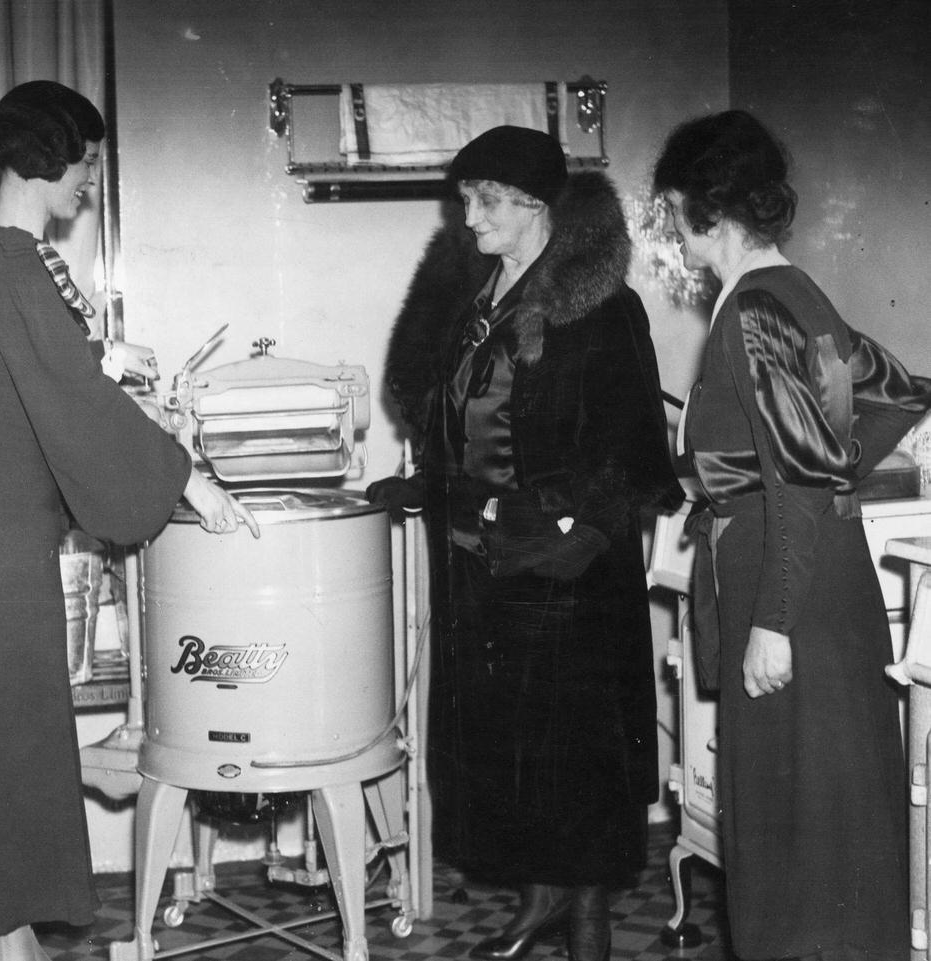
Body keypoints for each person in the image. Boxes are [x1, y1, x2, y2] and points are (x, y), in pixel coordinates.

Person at [0, 80, 257, 961]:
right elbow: (63, 395)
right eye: (86, 159)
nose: (91, 178)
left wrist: (100, 354)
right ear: (43, 158)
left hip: (1, 531)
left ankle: (14, 936)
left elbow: (37, 362)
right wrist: (190, 481)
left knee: (18, 735)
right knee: (5, 737)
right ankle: (8, 944)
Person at [371, 126, 682, 961]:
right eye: (465, 199)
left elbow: (632, 451)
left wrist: (574, 531)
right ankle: (537, 900)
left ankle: (587, 929)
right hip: (481, 570)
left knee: (571, 758)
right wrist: (429, 483)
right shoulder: (478, 299)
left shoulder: (600, 306)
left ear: (538, 208)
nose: (468, 217)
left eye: (487, 201)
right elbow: (457, 416)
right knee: (508, 753)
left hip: (563, 576)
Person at [654, 109, 930, 961]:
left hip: (786, 584)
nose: (667, 227)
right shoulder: (796, 292)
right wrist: (838, 461)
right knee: (835, 818)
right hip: (824, 576)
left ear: (703, 208)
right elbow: (892, 393)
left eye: (670, 209)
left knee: (787, 830)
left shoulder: (747, 315)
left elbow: (799, 478)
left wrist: (773, 619)